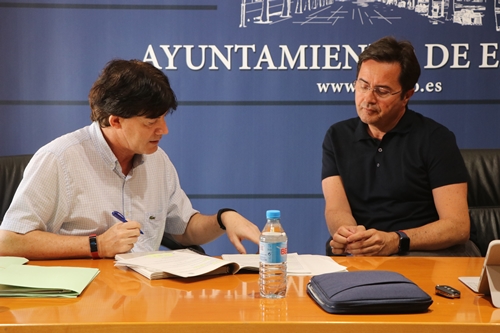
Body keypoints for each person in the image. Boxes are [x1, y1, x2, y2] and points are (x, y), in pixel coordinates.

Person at [0, 59, 261, 259]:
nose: (164, 130)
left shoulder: (157, 160)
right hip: (82, 303)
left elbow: (183, 230)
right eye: (151, 122)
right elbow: (9, 241)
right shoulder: (59, 159)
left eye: (163, 118)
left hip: (145, 296)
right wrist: (96, 245)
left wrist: (224, 218)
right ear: (116, 121)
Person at [322, 36, 480, 257]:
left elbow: (457, 226)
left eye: (382, 91)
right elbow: (336, 208)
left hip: (424, 253)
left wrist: (396, 240)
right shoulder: (337, 136)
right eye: (363, 85)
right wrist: (348, 234)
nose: (368, 98)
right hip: (364, 253)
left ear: (407, 95)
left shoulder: (436, 138)